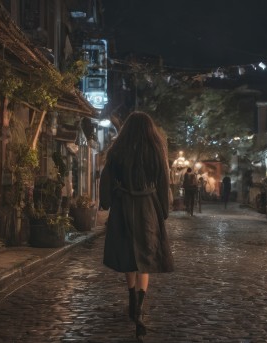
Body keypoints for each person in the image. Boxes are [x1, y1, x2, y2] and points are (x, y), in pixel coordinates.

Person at [99, 111, 174, 341]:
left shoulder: (117, 149)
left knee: (128, 254)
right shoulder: (155, 149)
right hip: (147, 206)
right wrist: (163, 209)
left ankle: (132, 299)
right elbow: (163, 180)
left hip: (123, 206)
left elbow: (106, 177)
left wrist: (106, 202)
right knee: (146, 256)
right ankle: (139, 306)